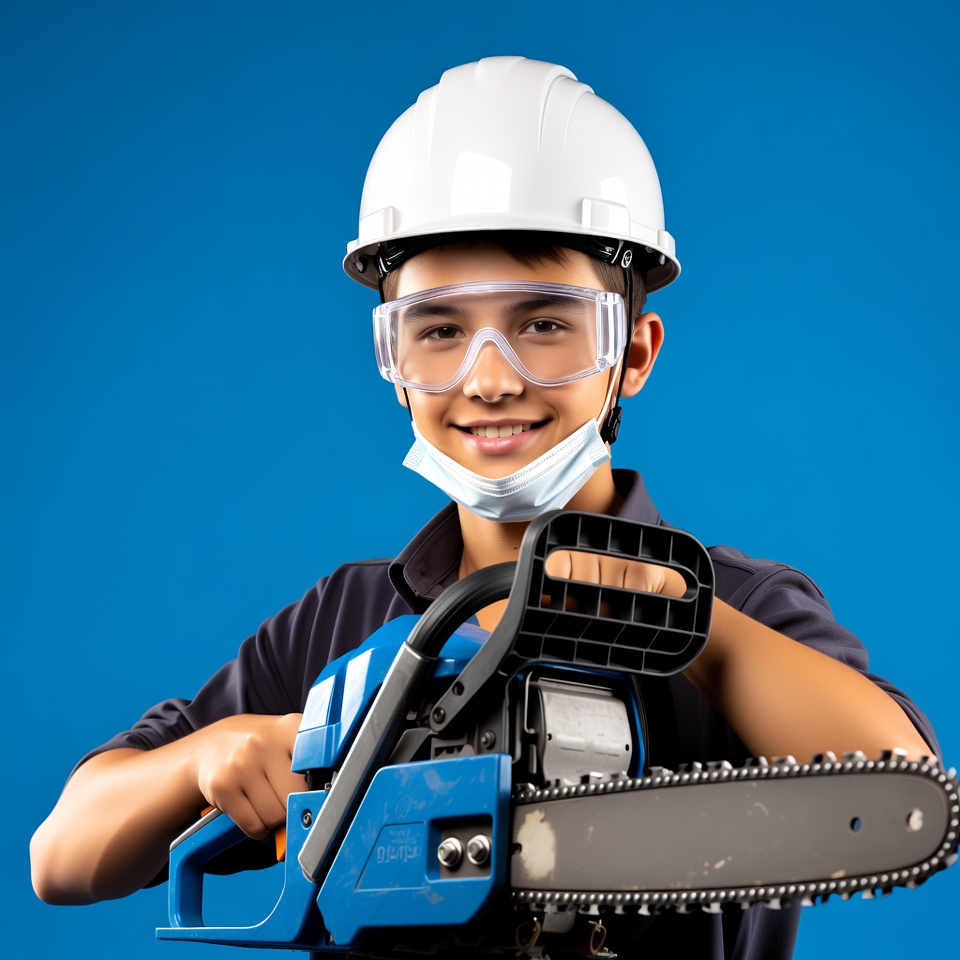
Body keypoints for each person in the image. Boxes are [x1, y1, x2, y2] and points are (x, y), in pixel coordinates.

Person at [31, 56, 937, 959]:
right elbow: (61, 857)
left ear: (633, 353)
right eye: (440, 333)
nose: (492, 379)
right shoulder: (344, 620)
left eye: (546, 324)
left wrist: (696, 632)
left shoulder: (736, 603)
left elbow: (903, 793)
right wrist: (212, 755)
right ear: (394, 362)